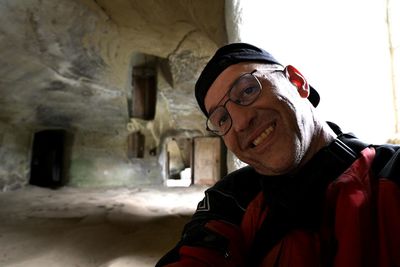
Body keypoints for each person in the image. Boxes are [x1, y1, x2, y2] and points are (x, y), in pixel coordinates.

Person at [156, 42, 400, 267]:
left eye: (248, 90)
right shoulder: (231, 199)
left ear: (297, 81)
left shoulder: (388, 175)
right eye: (222, 119)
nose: (240, 122)